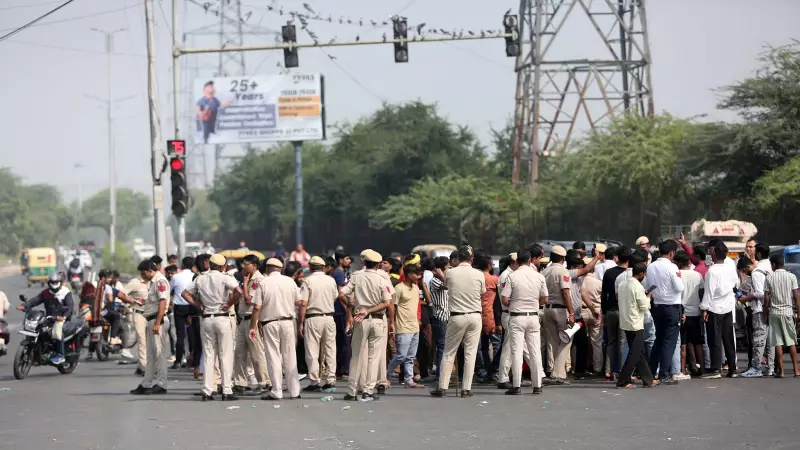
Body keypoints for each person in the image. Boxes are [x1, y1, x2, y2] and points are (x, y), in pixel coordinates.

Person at [183, 253, 242, 401]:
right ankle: (227, 389)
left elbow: (185, 293)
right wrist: (229, 304)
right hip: (222, 317)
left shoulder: (200, 278)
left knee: (209, 355)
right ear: (222, 266)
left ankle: (207, 389)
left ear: (210, 264)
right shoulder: (225, 277)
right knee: (225, 354)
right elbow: (239, 291)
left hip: (207, 318)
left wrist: (198, 305)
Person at [430, 245, 486, 398]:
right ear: (472, 259)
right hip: (475, 315)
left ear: (457, 259)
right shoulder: (479, 274)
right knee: (470, 353)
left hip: (457, 316)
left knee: (449, 352)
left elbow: (446, 286)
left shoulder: (450, 272)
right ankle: (466, 389)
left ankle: (442, 387)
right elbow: (482, 292)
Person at [340, 250, 393, 402]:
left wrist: (351, 305)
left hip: (360, 320)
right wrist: (369, 310)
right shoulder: (382, 278)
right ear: (378, 264)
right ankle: (368, 391)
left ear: (364, 262)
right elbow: (387, 302)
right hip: (377, 319)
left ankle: (352, 391)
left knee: (356, 355)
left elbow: (341, 293)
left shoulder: (356, 276)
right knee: (374, 357)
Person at [251, 258, 302, 401]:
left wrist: (252, 326)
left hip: (270, 323)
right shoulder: (290, 281)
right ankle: (294, 391)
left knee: (273, 357)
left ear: (267, 268)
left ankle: (277, 391)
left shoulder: (263, 282)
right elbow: (299, 302)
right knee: (290, 356)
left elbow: (257, 307)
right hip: (288, 322)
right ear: (280, 268)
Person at [501, 249, 547, 395]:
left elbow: (504, 299)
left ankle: (516, 385)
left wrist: (515, 304)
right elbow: (545, 299)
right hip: (533, 316)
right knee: (535, 351)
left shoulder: (512, 276)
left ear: (517, 261)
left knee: (516, 351)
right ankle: (537, 385)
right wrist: (534, 304)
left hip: (517, 316)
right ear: (530, 260)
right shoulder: (539, 276)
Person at [646, 239, 684, 385]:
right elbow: (679, 287)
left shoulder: (651, 267)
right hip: (672, 306)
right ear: (672, 253)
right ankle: (664, 373)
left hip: (657, 305)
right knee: (669, 342)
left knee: (659, 340)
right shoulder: (672, 267)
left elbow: (650, 286)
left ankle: (651, 370)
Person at [298, 256, 339, 392]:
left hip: (313, 318)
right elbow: (335, 297)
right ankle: (331, 379)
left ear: (310, 268)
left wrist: (301, 323)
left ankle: (314, 381)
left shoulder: (307, 281)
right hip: (329, 317)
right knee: (330, 349)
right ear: (323, 267)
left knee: (312, 351)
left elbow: (303, 303)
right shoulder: (331, 280)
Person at [699, 241, 739, 379]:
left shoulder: (712, 271)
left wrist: (704, 309)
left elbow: (709, 293)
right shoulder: (730, 267)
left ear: (715, 253)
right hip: (728, 307)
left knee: (714, 339)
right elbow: (735, 284)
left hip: (714, 308)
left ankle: (716, 368)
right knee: (728, 339)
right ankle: (732, 368)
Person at [233, 254, 272, 394]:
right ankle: (239, 382)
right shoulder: (250, 278)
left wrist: (244, 283)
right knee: (238, 352)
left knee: (256, 354)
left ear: (254, 266)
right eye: (243, 264)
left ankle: (264, 382)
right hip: (243, 319)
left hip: (252, 320)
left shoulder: (257, 280)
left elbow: (249, 300)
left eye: (247, 264)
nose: (244, 267)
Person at [130, 260, 170, 395]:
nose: (142, 276)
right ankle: (146, 383)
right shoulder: (153, 282)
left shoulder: (159, 281)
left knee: (159, 354)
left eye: (143, 273)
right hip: (152, 320)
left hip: (158, 320)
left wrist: (158, 323)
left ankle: (161, 384)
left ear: (149, 270)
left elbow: (163, 301)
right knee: (151, 355)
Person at [17, 273, 74, 364]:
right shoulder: (46, 292)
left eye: (56, 282)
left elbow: (70, 307)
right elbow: (35, 300)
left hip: (62, 319)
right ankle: (40, 349)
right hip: (49, 318)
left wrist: (64, 316)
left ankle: (60, 354)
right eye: (53, 282)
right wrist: (24, 306)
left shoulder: (66, 292)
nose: (55, 284)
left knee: (57, 332)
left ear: (60, 282)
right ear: (49, 282)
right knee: (38, 328)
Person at [386, 264, 426, 389]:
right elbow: (392, 307)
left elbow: (416, 305)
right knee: (401, 356)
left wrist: (418, 320)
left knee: (411, 357)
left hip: (414, 327)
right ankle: (385, 376)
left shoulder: (415, 287)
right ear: (409, 275)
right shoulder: (399, 288)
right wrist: (392, 323)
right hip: (402, 327)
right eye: (416, 274)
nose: (419, 276)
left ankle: (409, 380)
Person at [617, 263, 655, 388]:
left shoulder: (623, 283)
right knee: (635, 353)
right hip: (635, 322)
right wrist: (648, 297)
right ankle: (623, 380)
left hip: (625, 320)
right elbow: (644, 306)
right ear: (641, 274)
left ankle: (648, 378)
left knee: (639, 351)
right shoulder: (637, 286)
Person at [764, 255, 800, 377]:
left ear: (774, 265)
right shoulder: (791, 276)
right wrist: (799, 313)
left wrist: (765, 313)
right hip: (788, 312)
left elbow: (766, 298)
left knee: (778, 343)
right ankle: (796, 370)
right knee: (791, 342)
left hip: (774, 313)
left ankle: (782, 371)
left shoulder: (769, 277)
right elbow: (796, 296)